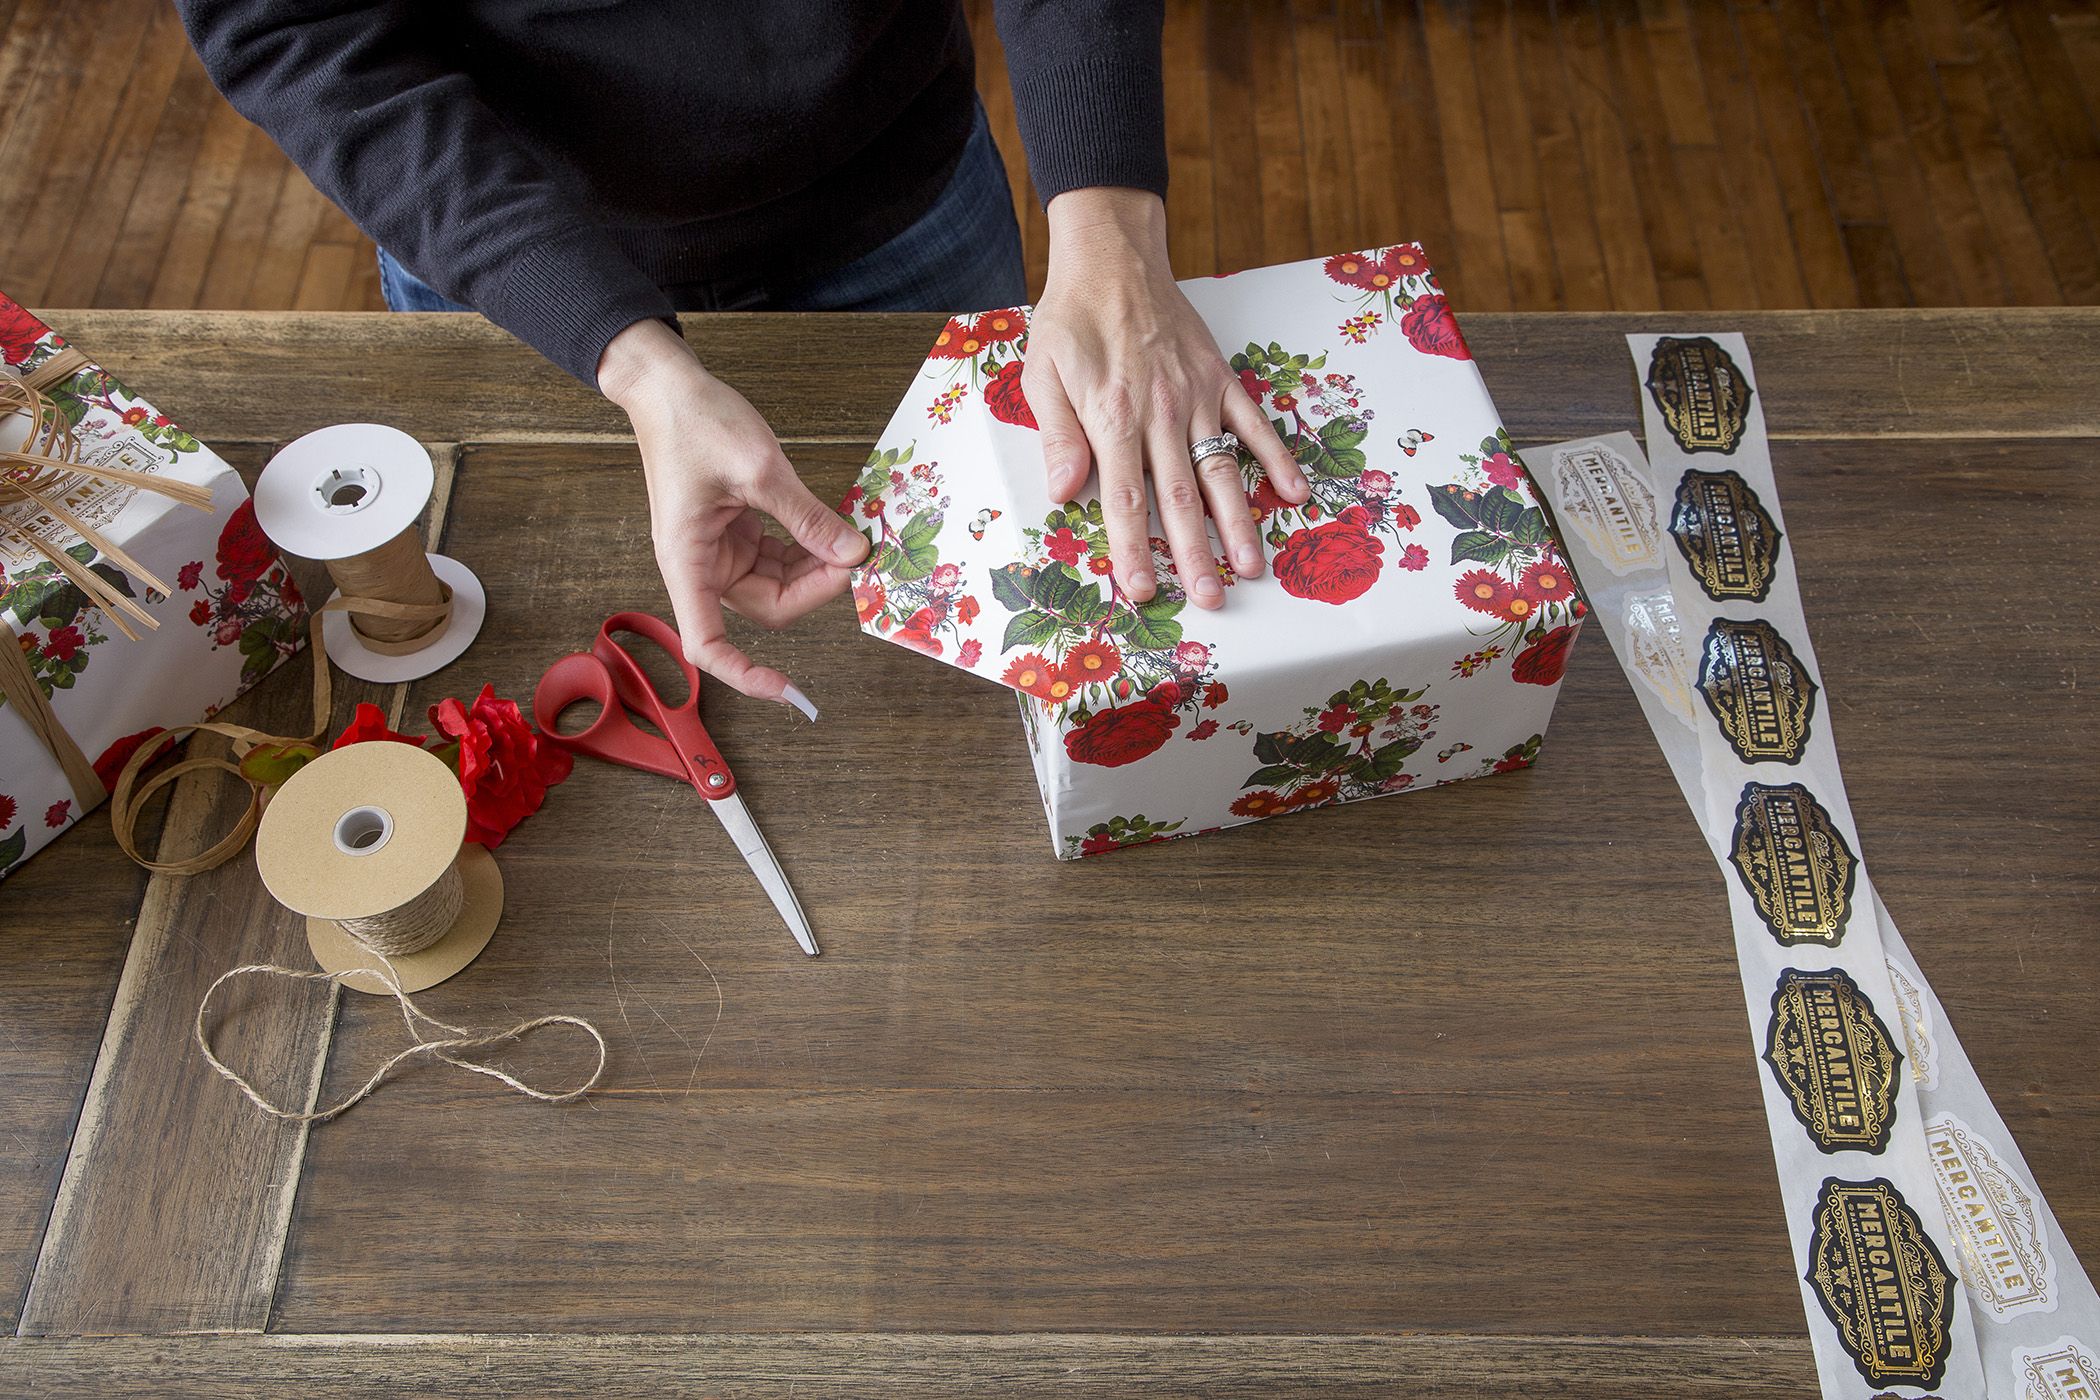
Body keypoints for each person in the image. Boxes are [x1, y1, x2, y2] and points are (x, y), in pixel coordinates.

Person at [174, 1, 1308, 713]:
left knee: (1019, 602)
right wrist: (632, 360)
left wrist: (1110, 222)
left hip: (897, 184)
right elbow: (294, 27)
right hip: (511, 248)